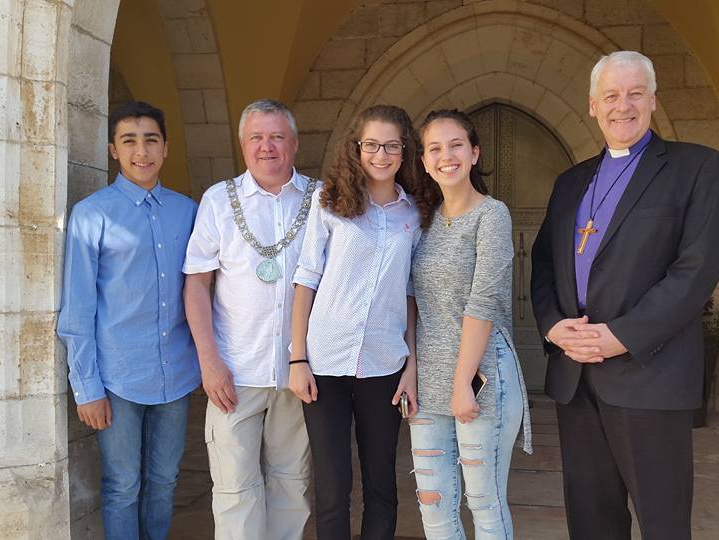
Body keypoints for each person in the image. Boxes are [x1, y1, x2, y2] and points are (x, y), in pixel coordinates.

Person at [531, 51, 719, 540]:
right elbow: (541, 267)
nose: (624, 105)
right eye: (612, 96)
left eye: (636, 93)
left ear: (653, 100)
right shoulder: (570, 182)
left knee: (661, 521)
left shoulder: (697, 168)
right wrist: (555, 326)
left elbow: (695, 271)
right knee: (591, 521)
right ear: (593, 106)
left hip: (649, 374)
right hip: (576, 379)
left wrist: (620, 336)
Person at [58, 101, 199, 540]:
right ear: (113, 150)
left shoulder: (188, 211)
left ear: (166, 148)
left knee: (164, 482)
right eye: (130, 141)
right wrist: (87, 388)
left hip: (175, 373)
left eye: (151, 140)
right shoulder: (92, 214)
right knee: (123, 485)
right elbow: (78, 305)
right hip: (116, 377)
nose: (142, 151)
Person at [288, 105, 423, 540]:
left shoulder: (414, 215)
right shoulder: (328, 202)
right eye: (371, 145)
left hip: (384, 365)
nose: (381, 155)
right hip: (324, 362)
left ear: (405, 151)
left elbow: (410, 293)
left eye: (391, 146)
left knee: (382, 483)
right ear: (356, 148)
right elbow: (306, 278)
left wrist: (411, 366)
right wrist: (298, 359)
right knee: (332, 486)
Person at [183, 99, 314, 540]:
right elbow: (196, 285)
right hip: (233, 373)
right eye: (256, 137)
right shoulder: (219, 201)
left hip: (299, 371)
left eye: (277, 137)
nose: (267, 147)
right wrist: (208, 361)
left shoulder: (323, 199)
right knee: (235, 490)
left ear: (294, 144)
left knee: (291, 486)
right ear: (242, 145)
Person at [409, 109, 532, 540]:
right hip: (427, 381)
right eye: (435, 148)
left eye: (456, 145)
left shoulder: (492, 215)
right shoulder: (422, 221)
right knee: (434, 504)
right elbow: (412, 304)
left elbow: (482, 304)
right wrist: (410, 376)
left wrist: (462, 384)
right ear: (424, 161)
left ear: (474, 153)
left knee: (485, 504)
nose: (447, 156)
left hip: (482, 377)